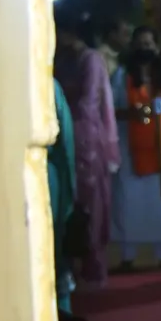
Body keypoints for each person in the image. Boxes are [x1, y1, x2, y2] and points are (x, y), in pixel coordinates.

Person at [53, 14, 119, 288]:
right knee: (70, 200)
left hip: (86, 138)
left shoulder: (90, 59)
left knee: (91, 205)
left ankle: (93, 268)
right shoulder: (66, 59)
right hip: (69, 132)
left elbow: (90, 103)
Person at [111, 44, 161, 271]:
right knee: (129, 202)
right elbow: (110, 108)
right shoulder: (121, 78)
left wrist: (158, 112)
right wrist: (132, 114)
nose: (144, 74)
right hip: (130, 149)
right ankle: (127, 257)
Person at [49, 78, 78, 313]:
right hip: (46, 183)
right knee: (52, 254)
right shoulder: (48, 85)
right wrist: (69, 197)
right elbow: (65, 145)